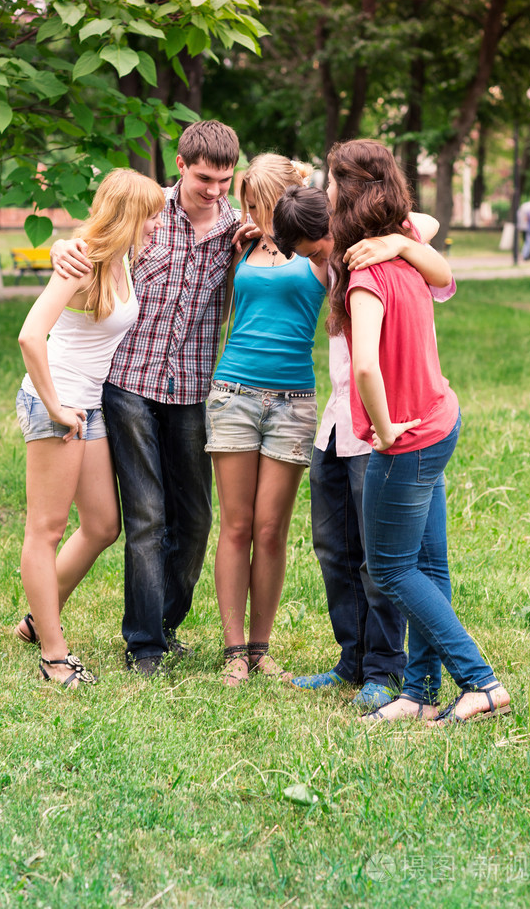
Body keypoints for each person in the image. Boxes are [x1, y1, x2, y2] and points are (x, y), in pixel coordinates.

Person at [49, 121, 254, 676]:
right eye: (205, 178)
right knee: (145, 514)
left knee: (194, 520)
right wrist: (63, 249)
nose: (215, 190)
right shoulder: (148, 213)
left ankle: (163, 621)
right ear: (182, 165)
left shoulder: (240, 231)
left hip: (191, 390)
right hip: (129, 384)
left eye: (225, 181)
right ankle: (144, 645)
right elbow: (89, 240)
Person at [326, 139, 511, 725]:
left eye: (330, 182)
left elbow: (363, 367)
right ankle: (420, 692)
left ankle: (480, 682)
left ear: (346, 191)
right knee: (428, 567)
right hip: (438, 422)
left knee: (391, 568)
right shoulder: (404, 255)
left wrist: (381, 430)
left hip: (407, 438)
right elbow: (436, 261)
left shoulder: (366, 274)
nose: (325, 190)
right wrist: (404, 240)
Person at [273, 187, 455, 711]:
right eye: (309, 255)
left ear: (336, 225)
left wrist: (393, 244)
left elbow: (428, 220)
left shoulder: (369, 251)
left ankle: (384, 668)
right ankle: (351, 661)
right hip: (335, 420)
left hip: (378, 426)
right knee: (334, 549)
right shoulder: (334, 255)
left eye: (317, 248)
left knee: (381, 561)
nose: (318, 260)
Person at [14, 169, 165, 688]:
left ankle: (39, 615)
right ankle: (54, 655)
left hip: (89, 408)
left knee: (102, 524)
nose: (157, 225)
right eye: (150, 216)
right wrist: (56, 407)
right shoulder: (81, 262)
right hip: (55, 407)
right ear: (129, 216)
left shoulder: (123, 258)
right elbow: (31, 336)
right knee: (46, 529)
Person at [206, 155, 327, 686]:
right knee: (235, 526)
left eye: (257, 205)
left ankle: (261, 647)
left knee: (270, 529)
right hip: (233, 392)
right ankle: (234, 650)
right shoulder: (241, 243)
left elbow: (421, 226)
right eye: (247, 204)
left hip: (292, 400)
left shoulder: (323, 246)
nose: (248, 214)